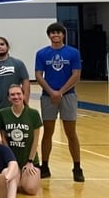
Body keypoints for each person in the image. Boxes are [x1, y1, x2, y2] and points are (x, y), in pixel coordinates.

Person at [35, 22, 84, 182]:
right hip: (48, 96)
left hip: (68, 95)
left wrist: (60, 92)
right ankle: (45, 166)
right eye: (52, 33)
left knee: (71, 133)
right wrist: (51, 92)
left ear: (63, 35)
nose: (55, 35)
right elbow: (39, 75)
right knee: (48, 132)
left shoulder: (73, 53)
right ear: (49, 35)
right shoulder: (42, 54)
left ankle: (77, 167)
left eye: (58, 33)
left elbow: (76, 74)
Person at [0, 85, 42, 196]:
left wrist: (30, 162)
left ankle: (28, 176)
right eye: (12, 95)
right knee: (11, 187)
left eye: (18, 94)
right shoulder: (3, 113)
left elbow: (36, 140)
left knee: (30, 189)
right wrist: (11, 161)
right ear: (8, 98)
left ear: (23, 95)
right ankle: (19, 175)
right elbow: (3, 139)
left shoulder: (33, 113)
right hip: (12, 160)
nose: (16, 97)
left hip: (29, 160)